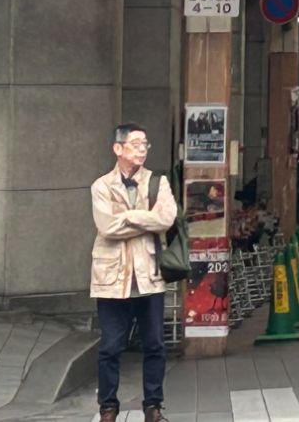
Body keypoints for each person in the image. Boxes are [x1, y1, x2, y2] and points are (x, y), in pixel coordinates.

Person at [89, 124, 179, 422]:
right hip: (112, 280)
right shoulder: (101, 186)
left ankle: (153, 406)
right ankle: (108, 408)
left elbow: (166, 218)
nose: (142, 149)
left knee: (154, 344)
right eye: (136, 143)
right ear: (118, 149)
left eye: (145, 144)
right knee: (110, 346)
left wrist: (127, 216)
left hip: (149, 276)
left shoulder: (157, 182)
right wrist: (145, 219)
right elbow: (106, 227)